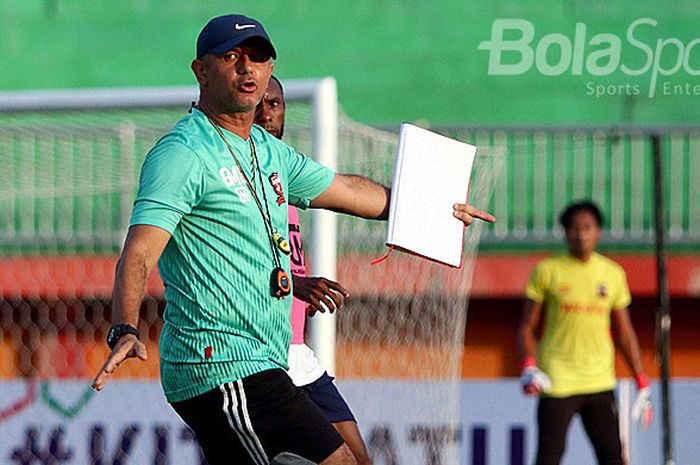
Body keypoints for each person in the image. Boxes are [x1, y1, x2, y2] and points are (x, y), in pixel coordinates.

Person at [91, 13, 494, 465]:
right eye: (231, 57)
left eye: (259, 59)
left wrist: (432, 206)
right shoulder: (182, 153)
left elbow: (348, 190)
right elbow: (139, 253)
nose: (248, 69)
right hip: (220, 363)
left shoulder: (268, 151)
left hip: (263, 360)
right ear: (200, 71)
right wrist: (125, 327)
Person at [255, 75, 372, 465]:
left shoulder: (283, 173)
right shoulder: (231, 178)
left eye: (274, 104)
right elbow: (231, 264)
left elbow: (353, 193)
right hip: (254, 356)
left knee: (358, 459)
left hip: (296, 353)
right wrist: (296, 285)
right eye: (257, 103)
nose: (266, 114)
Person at [518, 200, 652, 465]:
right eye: (574, 228)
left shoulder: (612, 274)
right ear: (565, 232)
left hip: (599, 380)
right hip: (558, 379)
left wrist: (642, 382)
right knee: (548, 457)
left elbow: (625, 332)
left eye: (587, 227)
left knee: (613, 457)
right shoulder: (547, 271)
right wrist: (529, 364)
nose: (581, 234)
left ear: (598, 232)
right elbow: (527, 326)